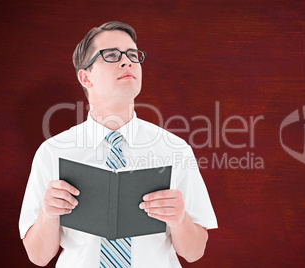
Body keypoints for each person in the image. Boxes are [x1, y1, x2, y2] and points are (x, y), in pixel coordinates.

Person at [19, 21, 217, 268]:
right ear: (85, 77)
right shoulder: (53, 152)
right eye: (111, 55)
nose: (128, 61)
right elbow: (38, 256)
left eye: (133, 54)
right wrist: (48, 214)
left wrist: (180, 220)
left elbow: (195, 252)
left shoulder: (175, 150)